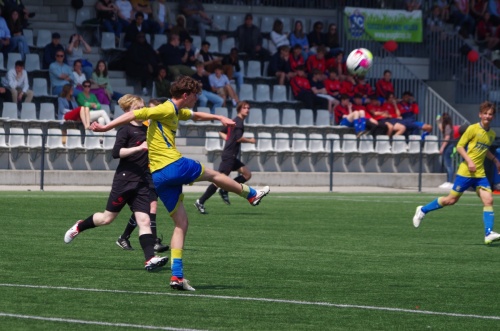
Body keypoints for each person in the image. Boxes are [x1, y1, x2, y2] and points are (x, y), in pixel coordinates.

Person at [90, 76, 270, 291]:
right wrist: (105, 128)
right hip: (173, 165)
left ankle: (177, 276)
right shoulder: (165, 109)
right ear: (186, 95)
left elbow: (196, 116)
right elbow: (134, 113)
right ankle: (250, 194)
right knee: (213, 174)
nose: (197, 99)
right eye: (195, 95)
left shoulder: (176, 111)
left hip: (159, 177)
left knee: (181, 224)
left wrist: (219, 117)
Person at [64, 94, 169, 271]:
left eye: (143, 107)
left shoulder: (149, 129)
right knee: (106, 219)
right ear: (128, 111)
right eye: (137, 108)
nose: (141, 110)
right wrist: (138, 148)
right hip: (125, 180)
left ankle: (150, 259)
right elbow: (116, 153)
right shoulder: (126, 130)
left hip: (142, 182)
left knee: (144, 221)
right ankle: (80, 226)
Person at [413, 101, 500, 245]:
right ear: (480, 114)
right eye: (485, 113)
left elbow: (485, 151)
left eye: (490, 114)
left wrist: (495, 161)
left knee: (488, 200)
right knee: (450, 200)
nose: (487, 116)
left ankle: (488, 233)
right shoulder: (472, 129)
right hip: (466, 172)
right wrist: (469, 161)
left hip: (480, 175)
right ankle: (422, 210)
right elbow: (460, 146)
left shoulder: (491, 134)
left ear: (493, 116)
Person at [115, 98, 169, 253]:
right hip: (142, 173)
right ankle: (153, 242)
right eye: (149, 109)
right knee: (151, 206)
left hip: (152, 171)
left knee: (143, 209)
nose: (150, 112)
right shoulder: (142, 126)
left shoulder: (155, 126)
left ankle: (124, 237)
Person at [195, 101, 256, 214]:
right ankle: (201, 200)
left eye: (248, 108)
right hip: (229, 155)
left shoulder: (234, 121)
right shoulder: (238, 122)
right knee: (218, 180)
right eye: (244, 108)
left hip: (231, 155)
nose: (247, 110)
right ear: (239, 109)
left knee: (247, 174)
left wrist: (228, 140)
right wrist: (250, 141)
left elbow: (221, 132)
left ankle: (225, 189)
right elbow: (238, 138)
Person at [125, 32, 158, 96]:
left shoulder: (147, 46)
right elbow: (135, 59)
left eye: (143, 37)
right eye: (140, 37)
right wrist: (147, 64)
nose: (141, 38)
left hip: (147, 64)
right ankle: (144, 88)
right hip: (134, 67)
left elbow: (152, 56)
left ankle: (158, 88)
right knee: (144, 69)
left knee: (159, 67)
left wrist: (151, 64)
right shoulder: (133, 46)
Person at [436, 113, 456, 189]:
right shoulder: (447, 126)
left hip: (449, 146)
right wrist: (438, 122)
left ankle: (450, 182)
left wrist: (442, 147)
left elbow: (447, 137)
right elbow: (441, 129)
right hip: (448, 146)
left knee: (448, 164)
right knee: (446, 164)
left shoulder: (448, 127)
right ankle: (448, 181)